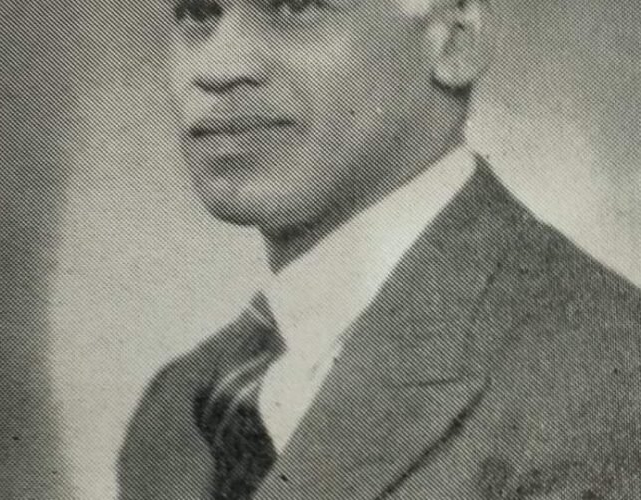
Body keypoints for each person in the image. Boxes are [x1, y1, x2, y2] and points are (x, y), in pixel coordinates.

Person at [118, 0, 641, 498]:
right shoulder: (174, 412)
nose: (216, 67)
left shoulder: (607, 376)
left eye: (295, 6)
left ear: (455, 38)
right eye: (197, 12)